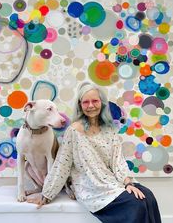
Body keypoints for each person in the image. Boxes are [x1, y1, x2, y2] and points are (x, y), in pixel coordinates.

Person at [30, 81, 162, 223]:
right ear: (80, 105)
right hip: (91, 187)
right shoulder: (74, 130)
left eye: (95, 101)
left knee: (148, 197)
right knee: (136, 205)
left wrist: (127, 183)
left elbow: (117, 161)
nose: (91, 105)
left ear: (102, 102)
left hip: (113, 181)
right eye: (86, 102)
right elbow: (62, 163)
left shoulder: (109, 130)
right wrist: (47, 194)